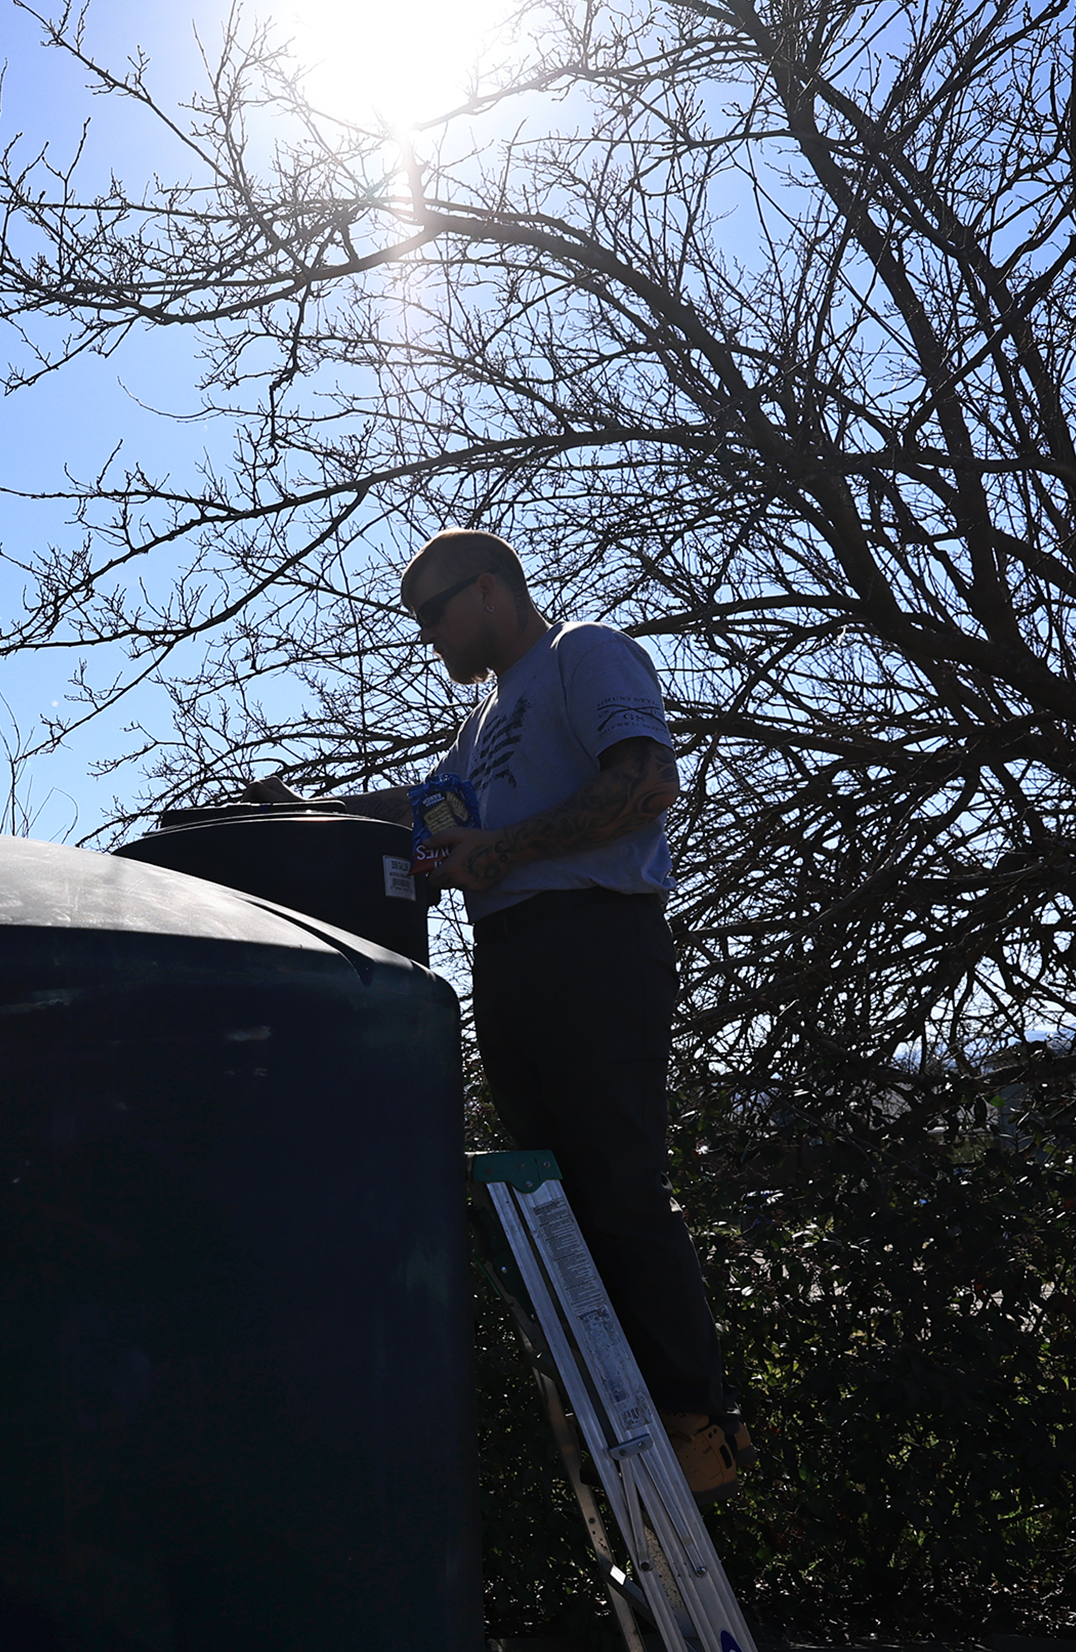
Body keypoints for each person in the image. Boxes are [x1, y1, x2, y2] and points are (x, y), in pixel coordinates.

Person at [248, 529, 744, 1491]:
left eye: (432, 612)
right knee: (557, 1194)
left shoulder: (582, 653)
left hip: (595, 943)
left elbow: (646, 782)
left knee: (618, 1182)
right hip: (513, 962)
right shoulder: (483, 723)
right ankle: (625, 1411)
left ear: (488, 589)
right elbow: (431, 811)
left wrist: (504, 852)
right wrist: (310, 813)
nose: (425, 633)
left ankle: (698, 1422)